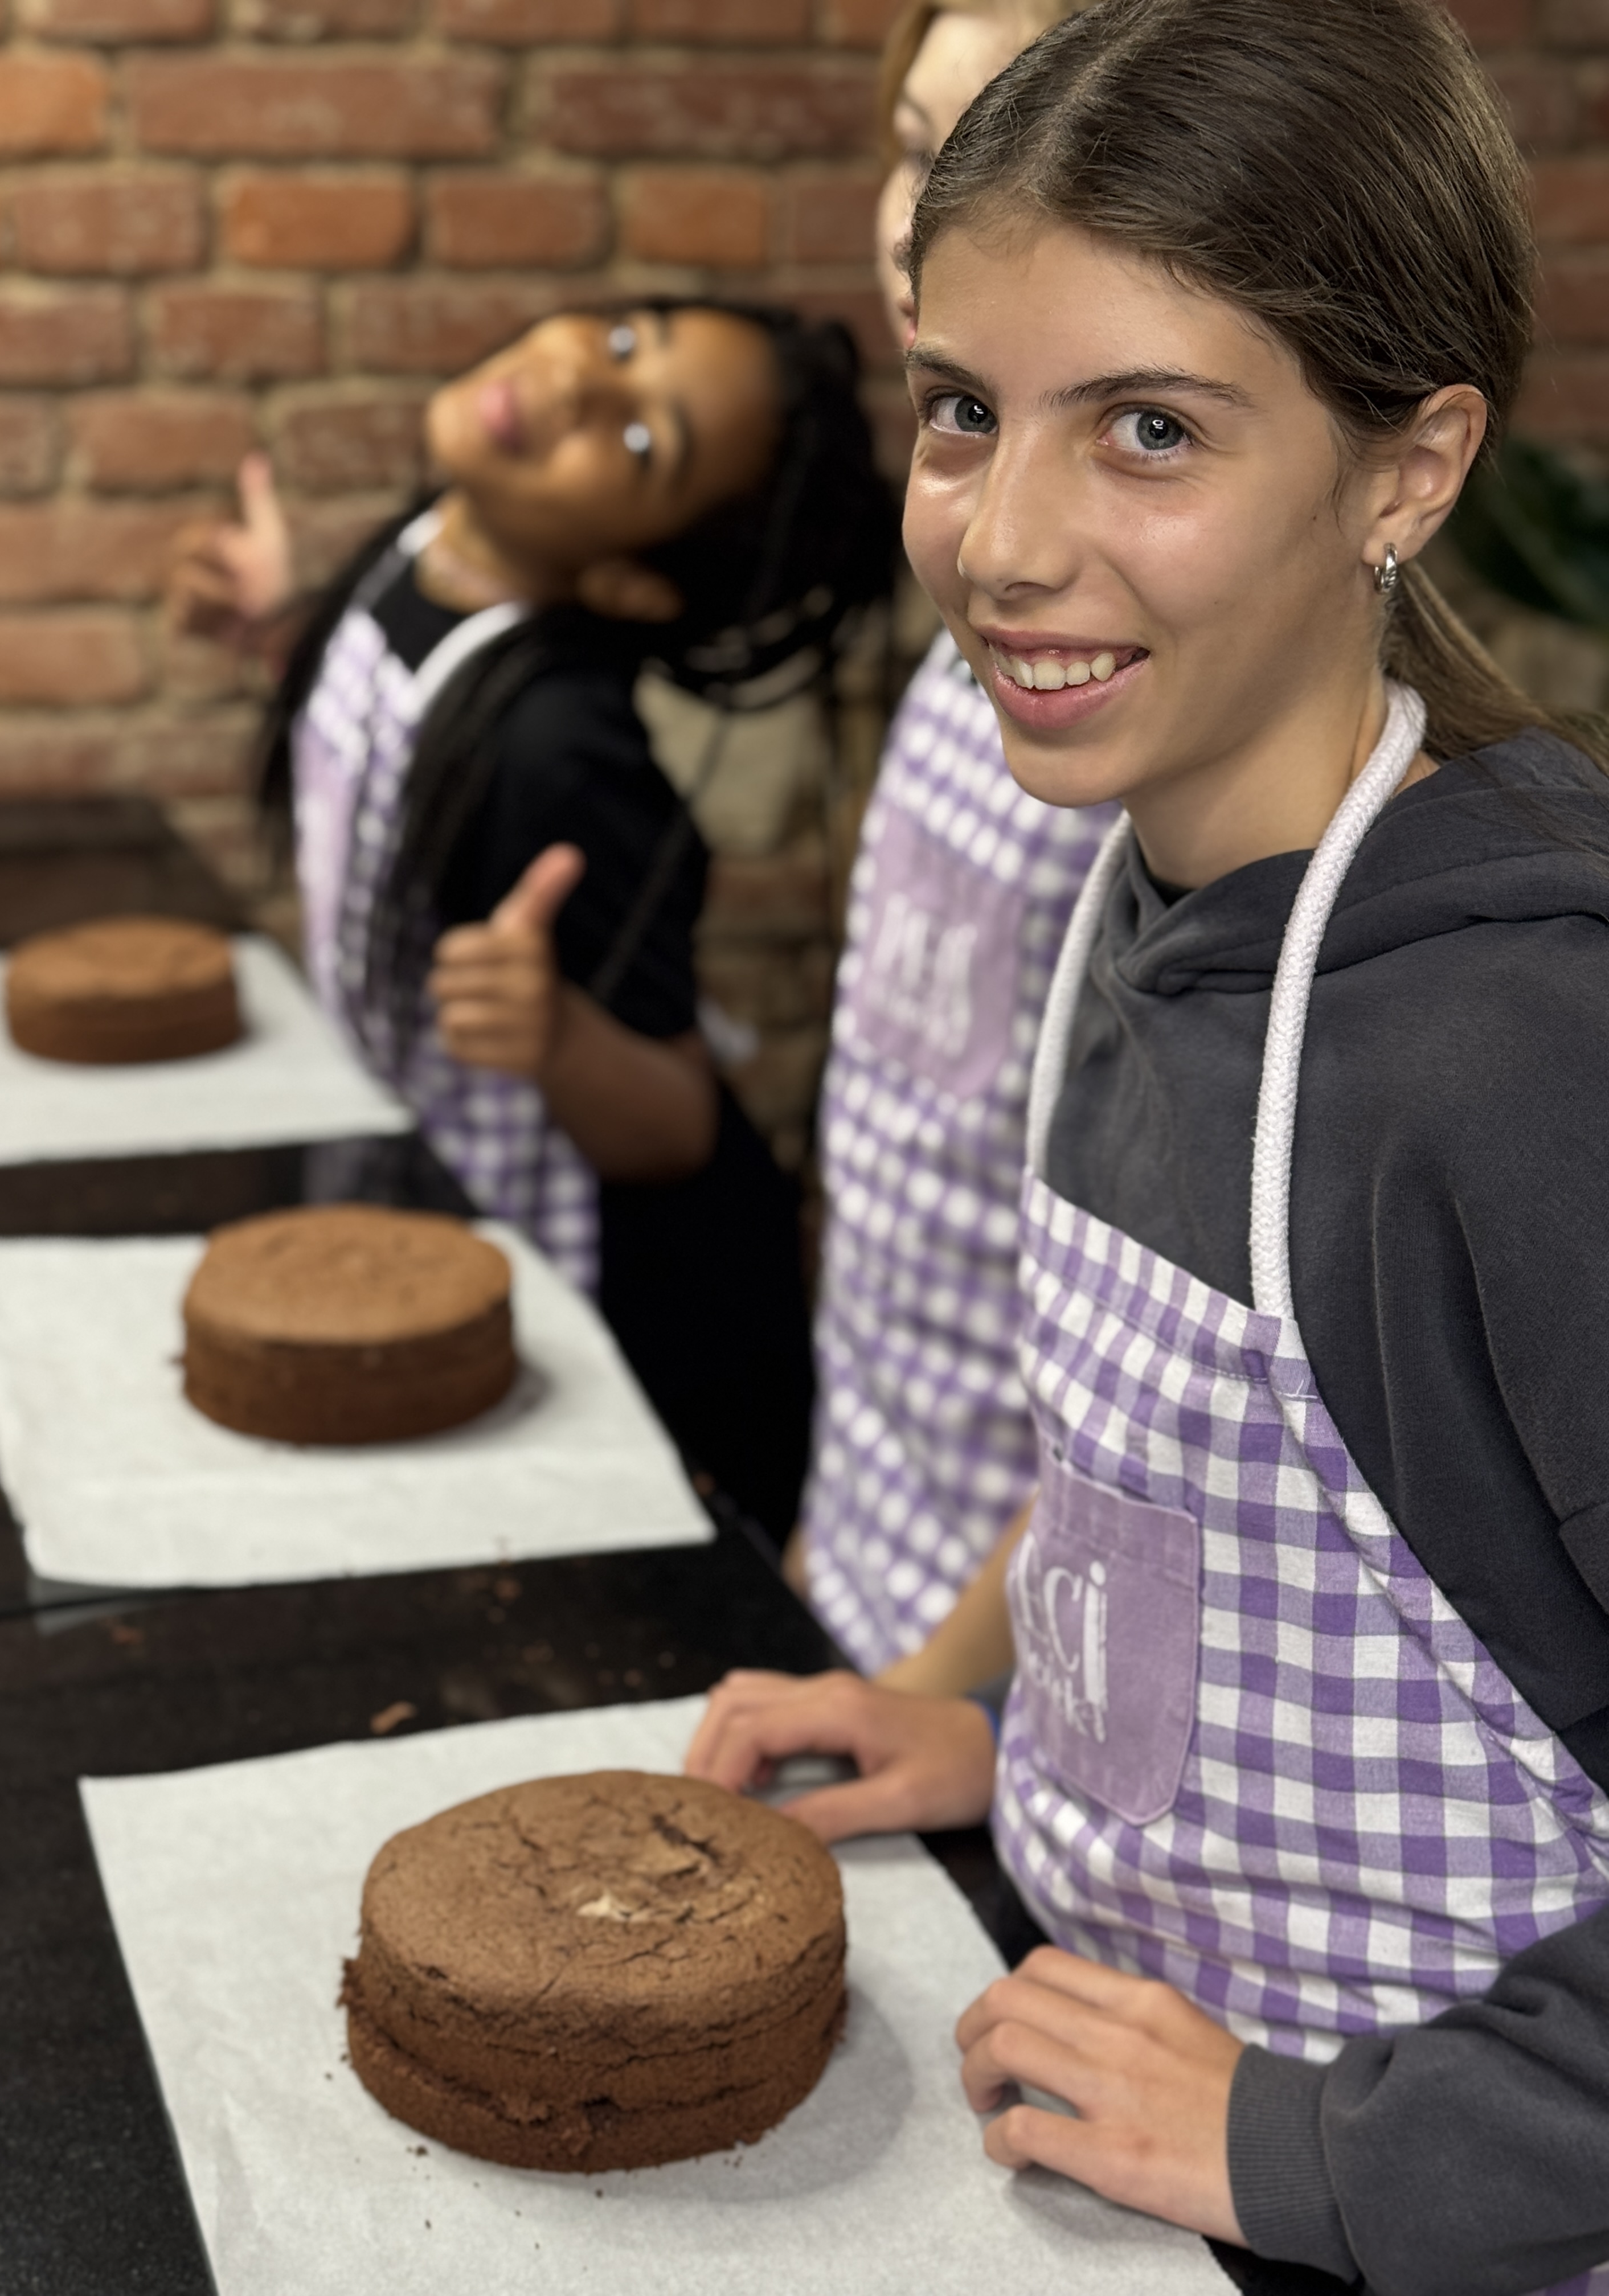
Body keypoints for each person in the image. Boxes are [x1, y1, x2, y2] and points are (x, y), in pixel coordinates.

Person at [689, 2, 1609, 2287]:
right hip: (1129, 2133)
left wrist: (1338, 2150)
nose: (1002, 542)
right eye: (968, 413)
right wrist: (976, 1709)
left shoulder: (1518, 1059)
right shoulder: (1149, 882)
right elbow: (1181, 1474)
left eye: (1156, 432)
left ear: (1408, 470)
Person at [171, 304, 898, 1540]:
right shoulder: (432, 543)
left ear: (626, 579)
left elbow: (673, 1124)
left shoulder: (563, 750)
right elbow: (405, 732)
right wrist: (290, 628)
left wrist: (552, 1031)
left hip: (640, 1321)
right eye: (624, 341)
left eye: (636, 447)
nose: (573, 382)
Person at [797, 0, 1114, 1684]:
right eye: (920, 148)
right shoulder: (980, 588)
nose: (925, 230)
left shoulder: (1142, 682)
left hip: (1032, 1681)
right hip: (870, 1580)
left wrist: (925, 1689)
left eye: (1009, 159)